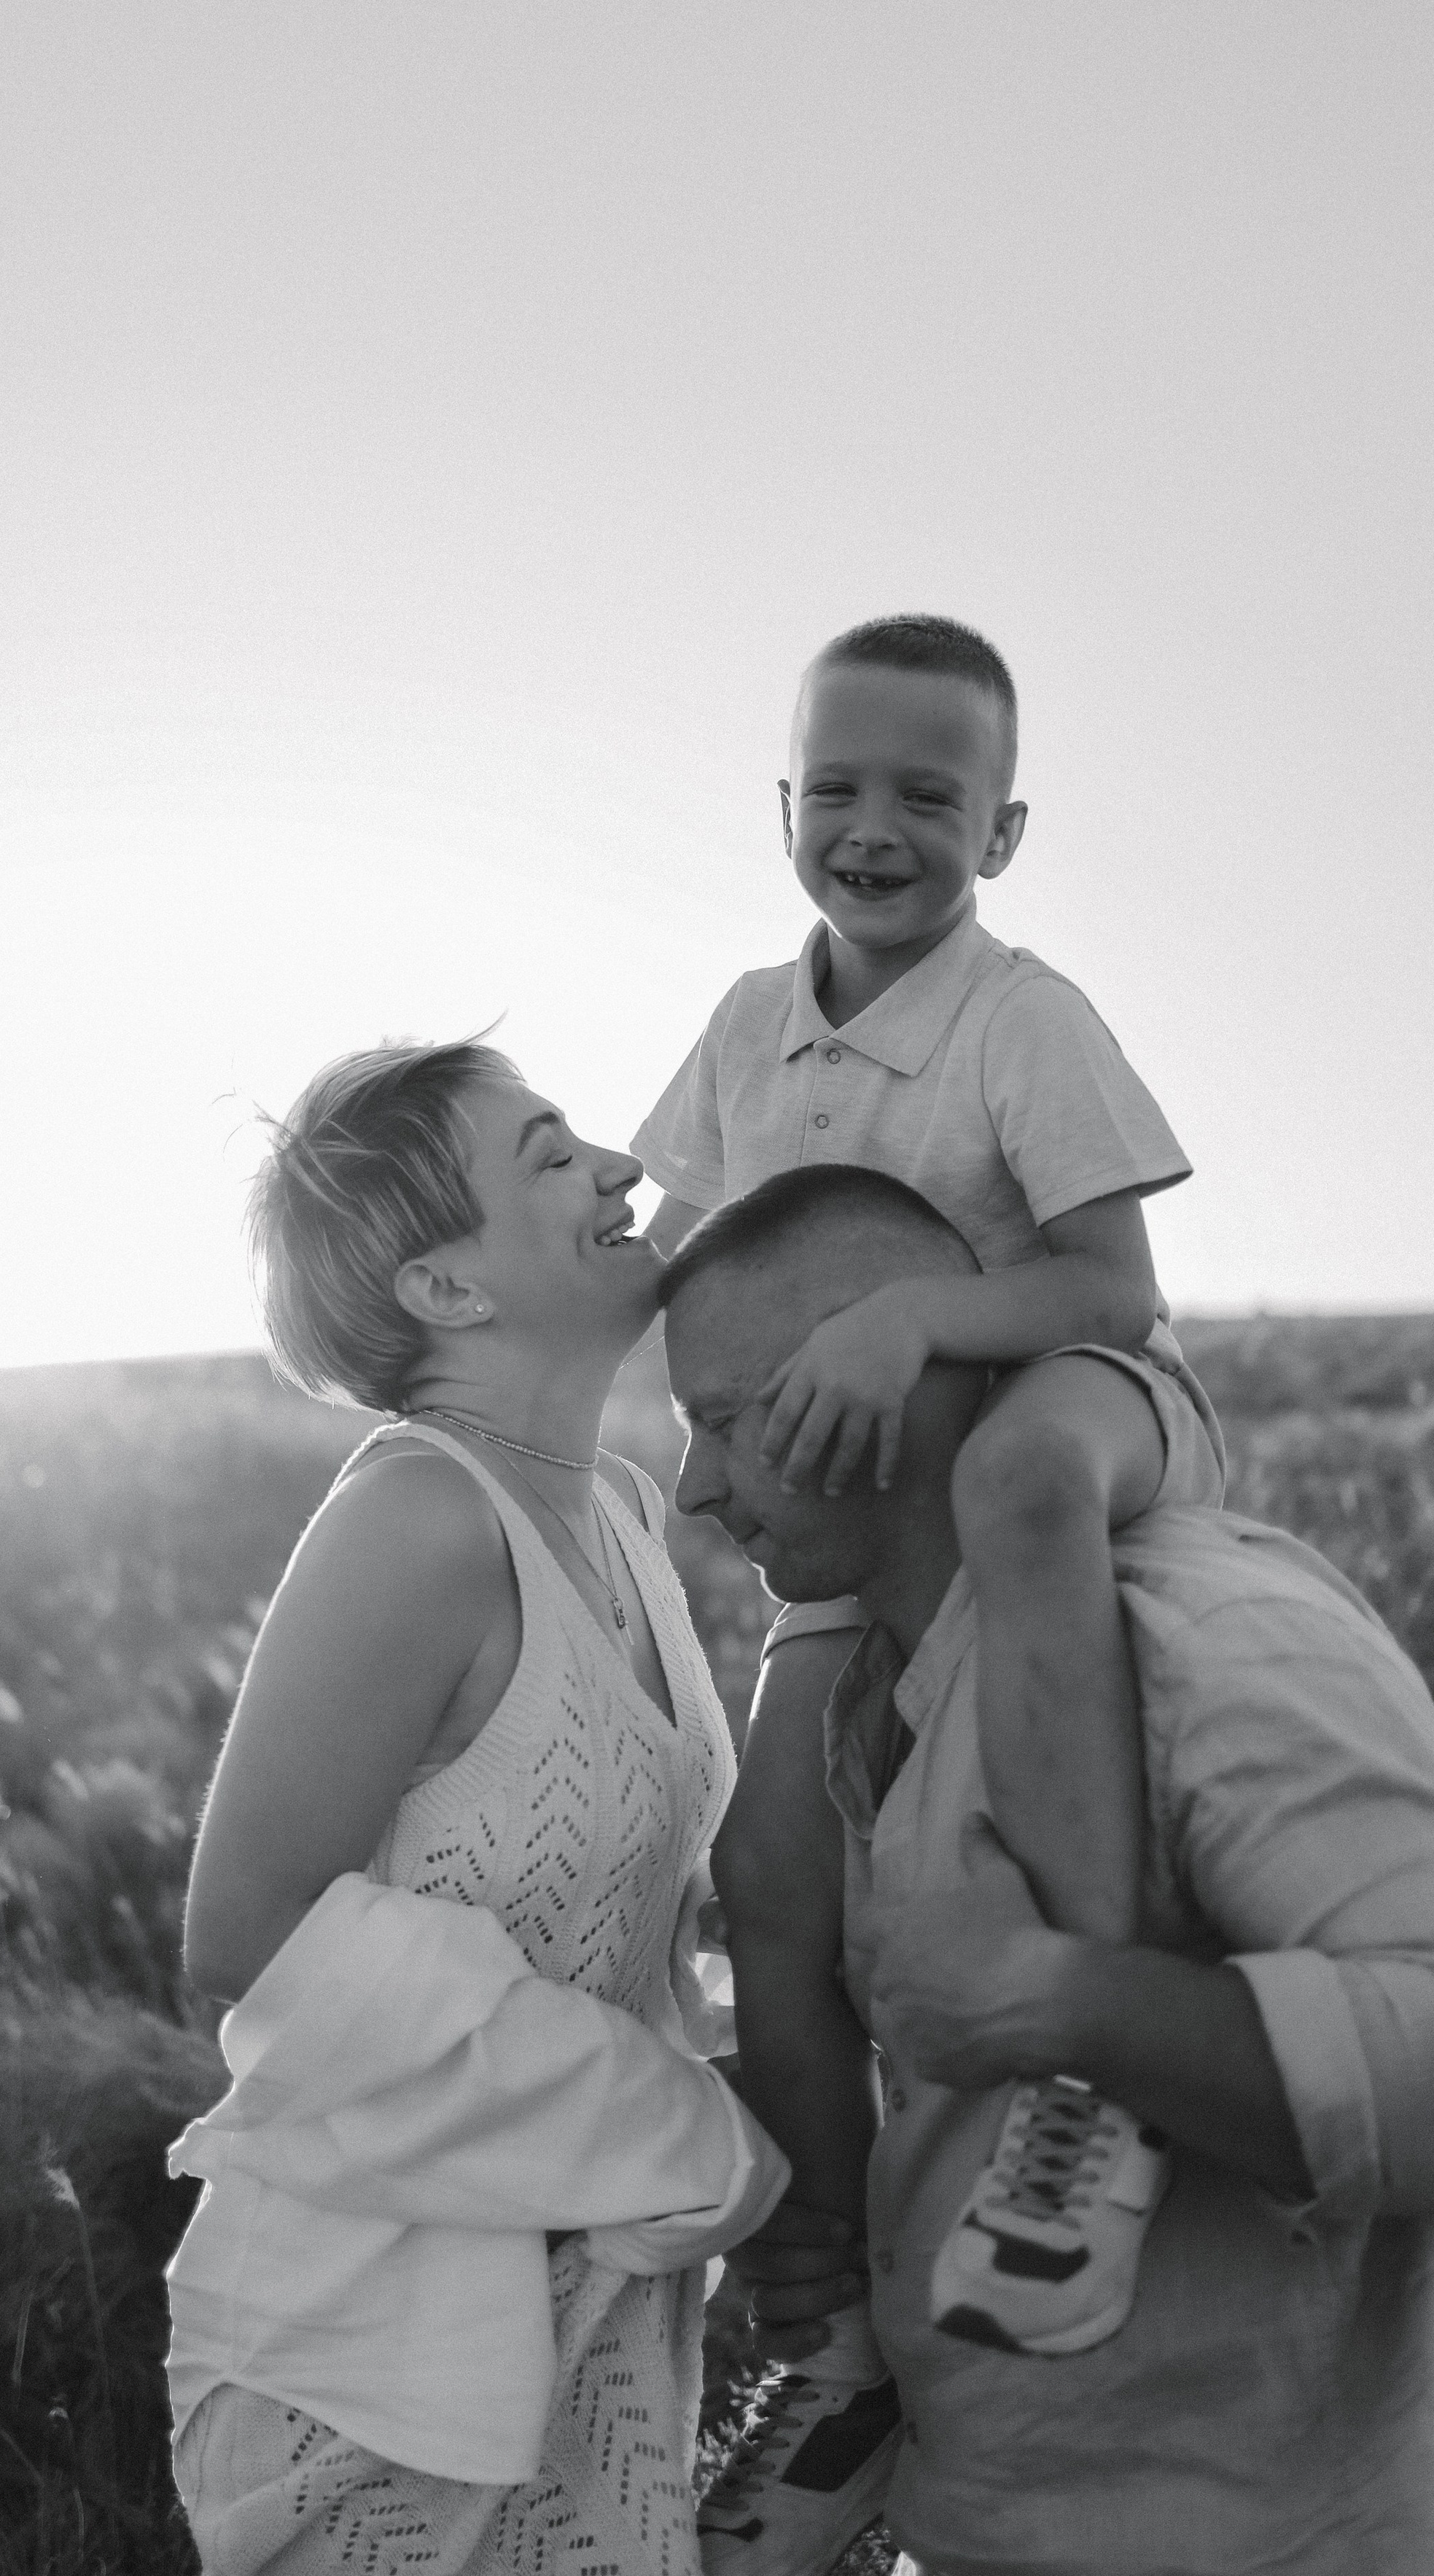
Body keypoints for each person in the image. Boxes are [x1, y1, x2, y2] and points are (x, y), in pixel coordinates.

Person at [635, 618, 1223, 2512]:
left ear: (1008, 827)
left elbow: (1112, 1289)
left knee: (1027, 1486)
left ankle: (1091, 2062)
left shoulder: (1016, 1015)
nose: (874, 831)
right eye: (839, 790)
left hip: (1063, 1412)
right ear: (782, 805)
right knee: (771, 1878)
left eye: (929, 798)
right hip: (855, 1522)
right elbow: (679, 1253)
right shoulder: (748, 1024)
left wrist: (918, 1329)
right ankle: (829, 2329)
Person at [664, 1161, 1434, 2576]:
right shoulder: (862, 1709)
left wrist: (1071, 2005)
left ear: (888, 1388)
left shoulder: (1200, 1638)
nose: (695, 1487)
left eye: (722, 1421)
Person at [163, 1036, 800, 2575]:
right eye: (549, 1154)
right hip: (376, 2361)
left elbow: (617, 1913)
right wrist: (690, 2135)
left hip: (599, 2320)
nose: (623, 1167)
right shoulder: (417, 1518)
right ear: (443, 1290)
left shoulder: (628, 1512)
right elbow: (248, 1939)